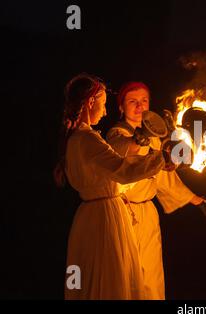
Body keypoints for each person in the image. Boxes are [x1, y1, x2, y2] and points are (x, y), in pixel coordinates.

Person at [54, 74, 167, 299]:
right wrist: (162, 158)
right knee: (112, 278)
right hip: (106, 218)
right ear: (90, 103)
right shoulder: (87, 139)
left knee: (91, 277)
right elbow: (122, 171)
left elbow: (114, 162)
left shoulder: (75, 138)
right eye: (103, 104)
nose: (105, 111)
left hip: (87, 218)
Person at [106, 81, 205, 299]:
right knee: (125, 274)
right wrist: (139, 139)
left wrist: (193, 198)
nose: (140, 106)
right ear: (121, 107)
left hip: (147, 215)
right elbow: (121, 150)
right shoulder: (117, 133)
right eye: (133, 101)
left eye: (144, 101)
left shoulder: (154, 138)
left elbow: (163, 175)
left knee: (151, 276)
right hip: (122, 213)